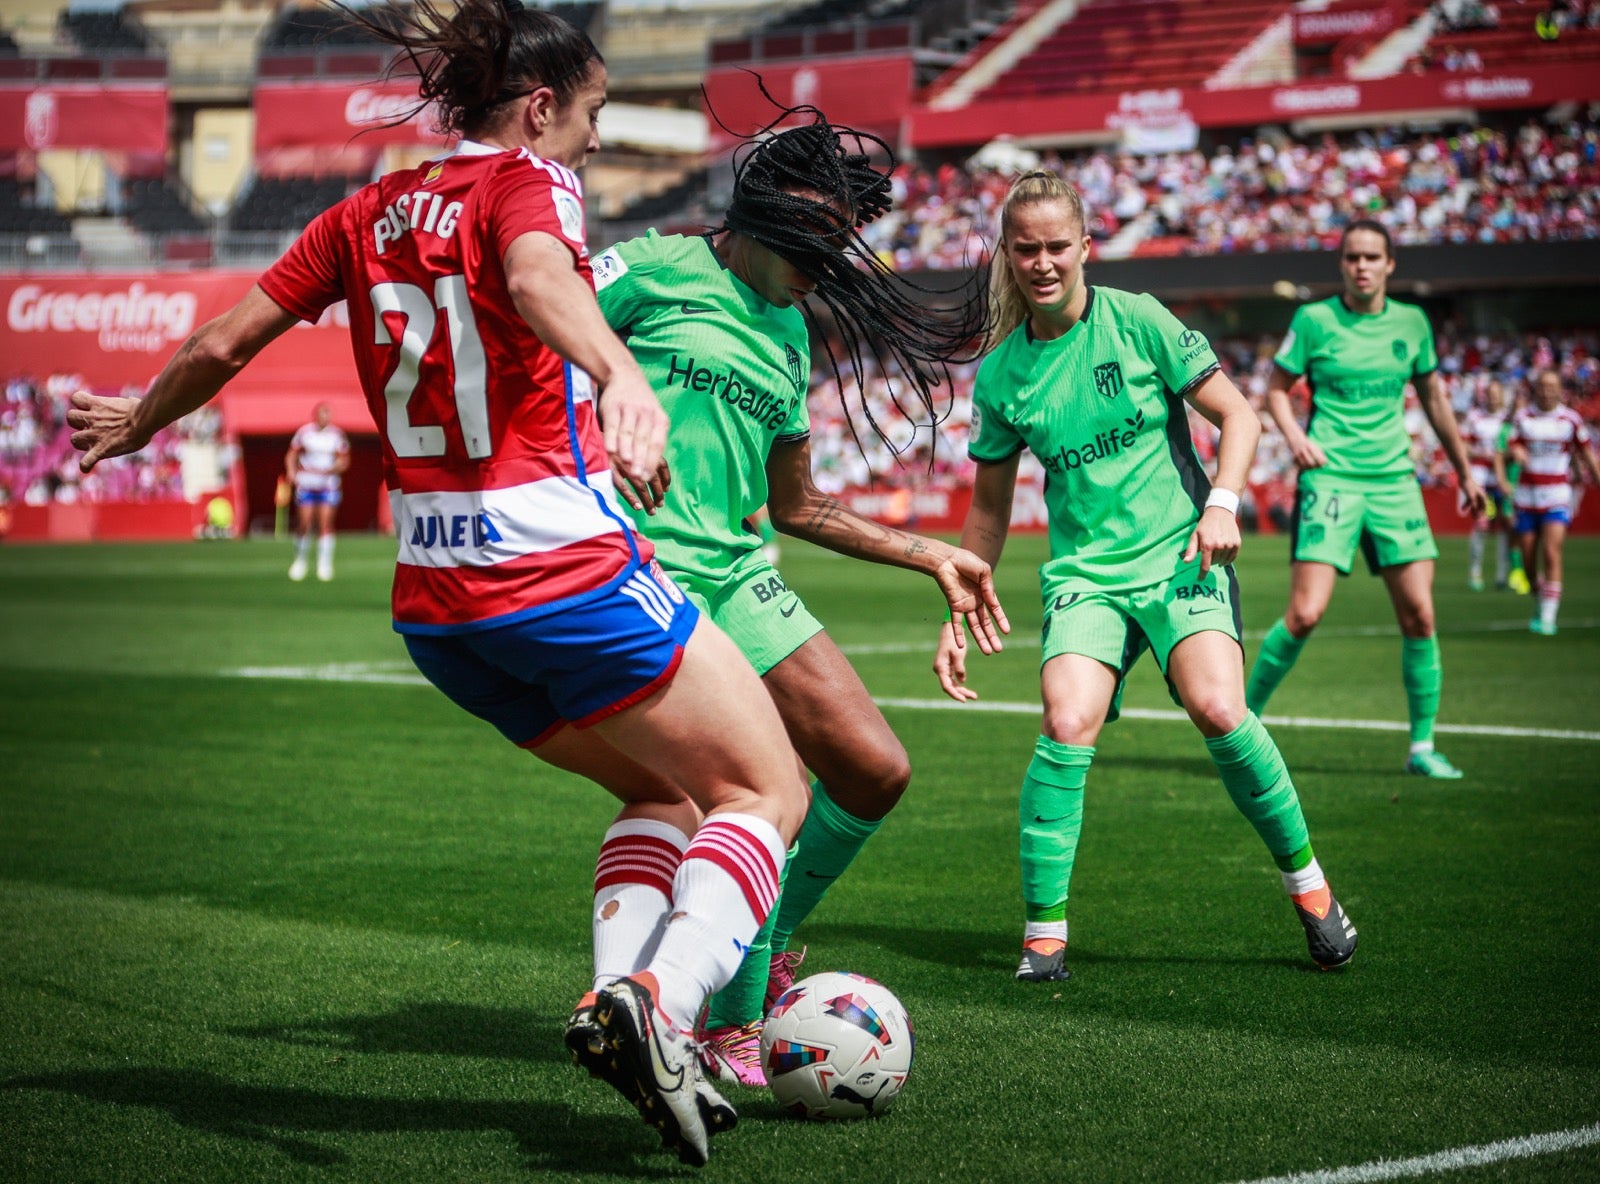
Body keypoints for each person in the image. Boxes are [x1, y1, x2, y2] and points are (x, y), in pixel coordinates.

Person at [66, 0, 808, 1167]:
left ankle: (617, 1015)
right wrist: (621, 372)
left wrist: (135, 417)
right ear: (540, 105)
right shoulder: (527, 182)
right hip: (554, 559)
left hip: (436, 601)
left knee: (667, 797)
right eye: (595, 114)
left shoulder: (360, 212)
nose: (596, 141)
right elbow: (535, 276)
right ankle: (666, 1006)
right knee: (767, 790)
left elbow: (220, 344)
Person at [591, 110, 1004, 1085]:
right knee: (763, 789)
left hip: (738, 570)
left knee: (873, 768)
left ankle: (748, 946)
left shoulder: (786, 332)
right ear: (760, 214)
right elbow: (529, 336)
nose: (827, 266)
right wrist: (595, 420)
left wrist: (928, 552)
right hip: (641, 570)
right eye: (816, 240)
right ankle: (724, 1026)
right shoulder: (647, 270)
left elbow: (797, 504)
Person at [933, 171, 1357, 983]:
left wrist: (1222, 503)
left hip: (1181, 557)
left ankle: (1310, 891)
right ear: (1008, 256)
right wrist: (957, 604)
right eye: (1027, 249)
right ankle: (1045, 935)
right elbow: (987, 515)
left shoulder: (1140, 321)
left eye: (1059, 245)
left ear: (1086, 247)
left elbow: (1239, 413)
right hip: (1086, 580)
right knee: (1066, 722)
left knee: (1219, 708)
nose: (1044, 262)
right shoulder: (1001, 376)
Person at [1245, 220, 1486, 780]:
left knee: (1421, 616)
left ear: (1389, 264)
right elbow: (1276, 390)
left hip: (1395, 481)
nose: (1361, 266)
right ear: (1343, 264)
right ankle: (1242, 723)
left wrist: (1467, 472)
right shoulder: (1314, 320)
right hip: (1331, 479)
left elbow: (1434, 398)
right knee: (1305, 613)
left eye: (1371, 257)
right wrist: (1296, 438)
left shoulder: (1412, 323)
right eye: (1352, 256)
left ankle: (1422, 747)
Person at [1495, 368, 1600, 635]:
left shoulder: (1571, 420)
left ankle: (1547, 619)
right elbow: (1506, 449)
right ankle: (1541, 598)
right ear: (1535, 389)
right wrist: (1514, 453)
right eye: (1542, 386)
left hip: (1556, 496)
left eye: (1551, 386)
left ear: (1559, 389)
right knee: (1528, 561)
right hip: (1526, 498)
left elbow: (1587, 453)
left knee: (1552, 552)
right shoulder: (1523, 417)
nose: (1546, 391)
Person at [1460, 380, 1525, 591]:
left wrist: (1502, 456)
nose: (1493, 398)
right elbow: (1465, 447)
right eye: (1490, 394)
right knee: (1481, 525)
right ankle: (1475, 572)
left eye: (1497, 394)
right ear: (1484, 396)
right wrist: (1482, 453)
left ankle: (1501, 576)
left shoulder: (1508, 421)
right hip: (1481, 478)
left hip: (1501, 479)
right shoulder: (1475, 417)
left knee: (1505, 526)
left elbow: (1515, 449)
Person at [285, 401, 349, 580]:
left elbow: (344, 460)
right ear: (315, 415)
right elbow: (292, 454)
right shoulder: (305, 433)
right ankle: (300, 561)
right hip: (307, 483)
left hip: (328, 484)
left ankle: (324, 564)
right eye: (322, 414)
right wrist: (292, 472)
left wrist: (335, 467)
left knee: (325, 524)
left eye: (327, 414)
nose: (324, 418)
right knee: (304, 523)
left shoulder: (337, 435)